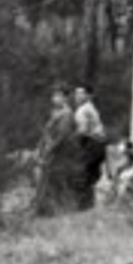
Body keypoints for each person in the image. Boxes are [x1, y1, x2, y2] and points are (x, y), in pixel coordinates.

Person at [34, 86, 80, 216]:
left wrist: (49, 149)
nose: (54, 98)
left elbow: (62, 136)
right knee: (45, 180)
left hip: (59, 152)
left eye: (58, 96)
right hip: (50, 150)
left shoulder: (67, 113)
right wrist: (41, 147)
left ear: (65, 98)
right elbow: (46, 132)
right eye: (54, 96)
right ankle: (43, 209)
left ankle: (51, 211)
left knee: (52, 181)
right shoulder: (55, 112)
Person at [72, 84, 106, 209]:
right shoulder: (92, 108)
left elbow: (82, 130)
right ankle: (89, 205)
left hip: (91, 143)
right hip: (99, 144)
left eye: (80, 93)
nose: (77, 96)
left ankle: (82, 205)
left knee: (83, 174)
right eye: (76, 93)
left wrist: (73, 143)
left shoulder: (83, 110)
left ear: (88, 95)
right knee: (91, 175)